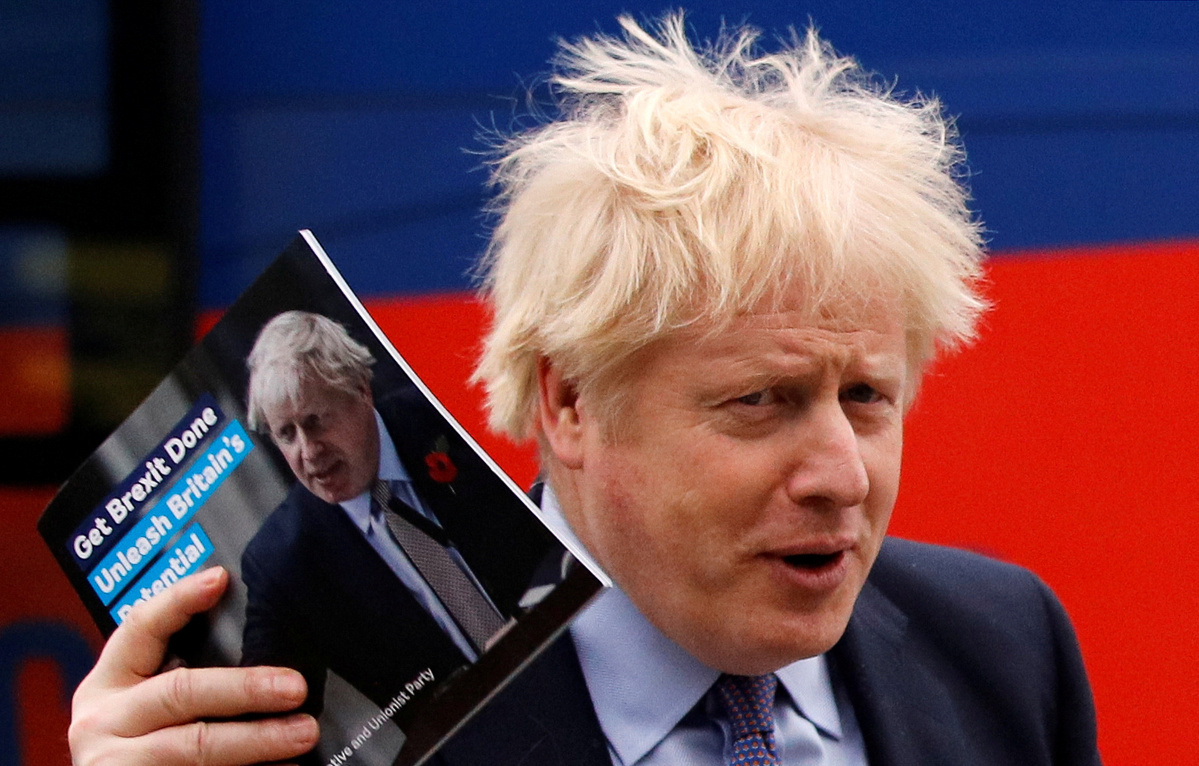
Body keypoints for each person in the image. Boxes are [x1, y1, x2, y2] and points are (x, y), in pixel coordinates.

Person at [67, 14, 1101, 766]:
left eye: (866, 396)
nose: (842, 474)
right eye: (761, 401)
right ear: (569, 405)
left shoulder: (1004, 647)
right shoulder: (340, 719)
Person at [240, 311, 554, 723]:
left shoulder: (447, 409)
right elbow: (262, 715)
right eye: (287, 434)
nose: (309, 452)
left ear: (361, 389)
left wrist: (535, 616)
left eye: (316, 422)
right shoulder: (282, 562)